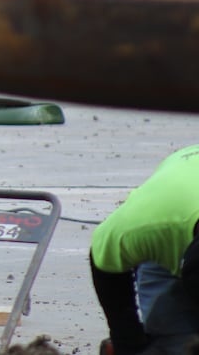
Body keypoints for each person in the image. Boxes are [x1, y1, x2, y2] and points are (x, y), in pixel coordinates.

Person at [91, 144, 199, 355]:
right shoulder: (137, 229)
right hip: (168, 224)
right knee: (178, 346)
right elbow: (104, 262)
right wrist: (127, 341)